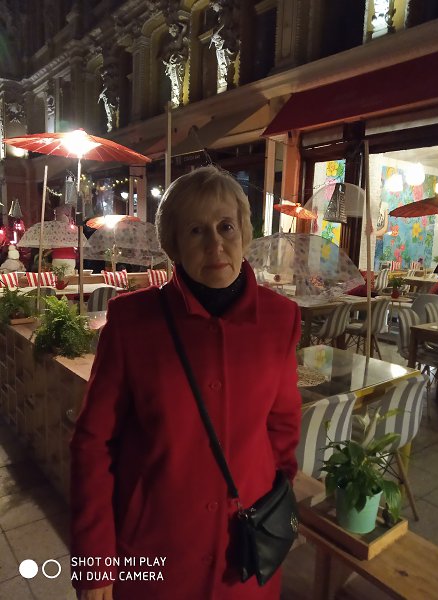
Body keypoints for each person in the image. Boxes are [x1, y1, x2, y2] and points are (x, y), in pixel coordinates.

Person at [70, 166, 301, 600]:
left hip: (245, 556)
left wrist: (274, 499)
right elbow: (92, 444)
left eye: (226, 226)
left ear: (244, 233)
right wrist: (95, 562)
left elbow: (283, 426)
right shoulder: (132, 321)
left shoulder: (280, 319)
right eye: (196, 230)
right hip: (154, 554)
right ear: (174, 244)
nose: (215, 244)